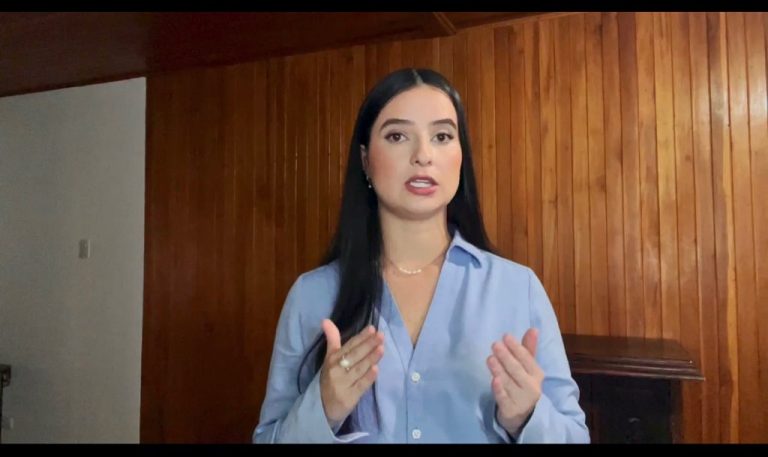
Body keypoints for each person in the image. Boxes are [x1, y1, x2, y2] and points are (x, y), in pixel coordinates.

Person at [252, 68, 589, 443]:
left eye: (442, 136)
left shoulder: (517, 288)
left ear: (461, 157)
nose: (423, 155)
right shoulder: (311, 295)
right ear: (365, 160)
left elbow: (575, 436)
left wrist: (527, 417)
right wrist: (322, 409)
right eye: (397, 136)